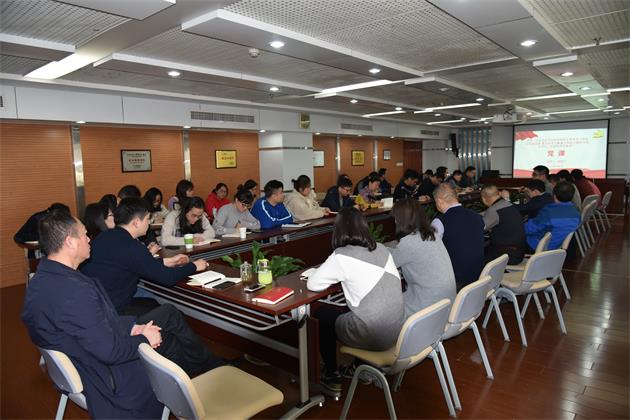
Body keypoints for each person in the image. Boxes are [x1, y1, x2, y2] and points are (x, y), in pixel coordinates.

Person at [21, 211, 164, 419]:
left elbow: (90, 323)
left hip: (79, 364)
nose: (89, 240)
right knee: (165, 357)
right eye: (85, 234)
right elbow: (110, 352)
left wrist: (133, 327)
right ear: (70, 242)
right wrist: (144, 339)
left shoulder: (40, 280)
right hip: (105, 382)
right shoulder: (74, 291)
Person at [307, 207, 404, 393]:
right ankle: (358, 366)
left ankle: (332, 374)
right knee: (353, 310)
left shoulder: (341, 256)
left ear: (338, 229)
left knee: (322, 316)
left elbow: (313, 284)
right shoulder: (382, 248)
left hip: (373, 334)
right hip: (397, 329)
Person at [80, 197, 208, 315]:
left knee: (154, 305)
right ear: (136, 222)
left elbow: (135, 263)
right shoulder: (131, 246)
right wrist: (194, 266)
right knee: (174, 314)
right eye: (147, 219)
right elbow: (168, 277)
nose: (149, 223)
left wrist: (168, 261)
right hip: (113, 310)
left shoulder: (106, 236)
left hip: (94, 303)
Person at [388, 199, 456, 318]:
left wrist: (380, 249)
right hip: (448, 301)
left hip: (429, 306)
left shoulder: (408, 243)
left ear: (401, 220)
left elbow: (388, 263)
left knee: (388, 308)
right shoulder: (432, 235)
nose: (395, 221)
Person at [431, 184, 484, 291]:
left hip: (455, 280)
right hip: (478, 276)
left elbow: (430, 250)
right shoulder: (477, 216)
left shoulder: (439, 221)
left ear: (439, 201)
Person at [525, 181, 581, 252]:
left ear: (554, 195)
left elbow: (528, 229)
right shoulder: (576, 213)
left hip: (538, 246)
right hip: (558, 247)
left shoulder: (549, 211)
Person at [481, 185, 526, 265]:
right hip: (519, 252)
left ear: (483, 198)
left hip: (507, 256)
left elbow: (479, 228)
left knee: (475, 258)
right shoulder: (508, 204)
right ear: (499, 194)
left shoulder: (493, 210)